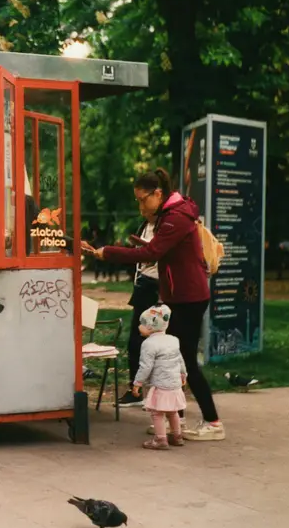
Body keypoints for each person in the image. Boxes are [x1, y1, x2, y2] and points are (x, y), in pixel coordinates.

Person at [81, 167, 225, 442]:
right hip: (178, 295)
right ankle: (176, 420)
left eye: (142, 199)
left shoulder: (176, 217)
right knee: (175, 359)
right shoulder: (170, 215)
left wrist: (108, 252)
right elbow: (158, 251)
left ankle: (213, 422)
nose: (140, 206)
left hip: (189, 297)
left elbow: (153, 252)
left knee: (185, 361)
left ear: (158, 193)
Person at [116, 212, 160, 408]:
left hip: (157, 286)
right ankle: (136, 389)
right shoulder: (145, 225)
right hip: (143, 283)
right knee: (136, 340)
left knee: (159, 341)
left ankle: (165, 391)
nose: (142, 208)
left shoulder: (166, 226)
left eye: (144, 201)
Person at [132, 303, 188, 450]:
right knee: (173, 411)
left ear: (150, 327)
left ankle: (160, 439)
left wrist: (137, 383)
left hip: (160, 384)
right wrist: (183, 374)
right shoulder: (173, 340)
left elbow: (146, 366)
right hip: (174, 383)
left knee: (157, 413)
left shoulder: (148, 344)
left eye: (142, 324)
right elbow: (180, 359)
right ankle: (177, 436)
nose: (139, 326)